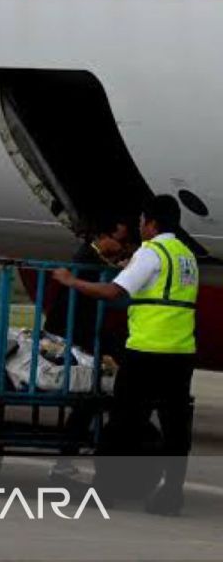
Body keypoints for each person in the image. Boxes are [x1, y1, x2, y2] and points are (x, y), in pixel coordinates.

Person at [53, 195, 198, 515]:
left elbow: (113, 293)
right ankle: (171, 494)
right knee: (175, 427)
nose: (139, 227)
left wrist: (71, 281)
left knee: (121, 424)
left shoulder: (152, 252)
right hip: (181, 352)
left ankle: (103, 490)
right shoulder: (186, 255)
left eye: (142, 221)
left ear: (153, 224)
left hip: (147, 351)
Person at [48, 219, 130, 476]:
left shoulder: (92, 257)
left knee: (91, 395)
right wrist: (123, 271)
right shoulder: (87, 257)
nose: (121, 247)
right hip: (72, 335)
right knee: (89, 395)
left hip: (81, 333)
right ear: (104, 236)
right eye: (120, 241)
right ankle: (67, 460)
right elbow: (106, 290)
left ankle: (69, 458)